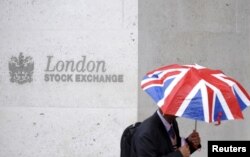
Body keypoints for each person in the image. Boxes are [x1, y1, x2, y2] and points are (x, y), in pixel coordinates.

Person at [130, 109, 201, 157]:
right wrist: (179, 155)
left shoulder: (172, 122)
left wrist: (190, 143)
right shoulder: (146, 133)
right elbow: (178, 153)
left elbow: (173, 148)